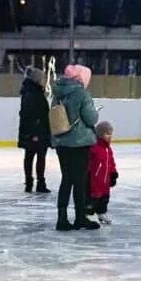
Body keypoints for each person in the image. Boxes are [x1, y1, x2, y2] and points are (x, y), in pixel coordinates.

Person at [51, 64, 101, 231]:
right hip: (79, 143)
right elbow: (91, 119)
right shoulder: (81, 93)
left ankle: (62, 217)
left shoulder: (57, 92)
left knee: (67, 179)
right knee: (79, 181)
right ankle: (80, 217)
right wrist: (95, 111)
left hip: (61, 143)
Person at [17, 66, 51, 194]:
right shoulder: (33, 93)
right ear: (37, 80)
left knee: (31, 156)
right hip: (37, 131)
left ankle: (32, 183)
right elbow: (31, 114)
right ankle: (37, 183)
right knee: (37, 157)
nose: (44, 81)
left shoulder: (31, 91)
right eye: (43, 79)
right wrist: (35, 133)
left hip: (34, 130)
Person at [87, 121, 118, 226]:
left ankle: (102, 213)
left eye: (111, 134)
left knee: (104, 198)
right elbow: (89, 162)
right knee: (94, 198)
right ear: (100, 134)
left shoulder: (108, 148)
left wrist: (113, 173)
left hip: (105, 180)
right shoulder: (94, 147)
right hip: (95, 179)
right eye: (107, 134)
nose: (109, 136)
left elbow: (111, 162)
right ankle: (89, 213)